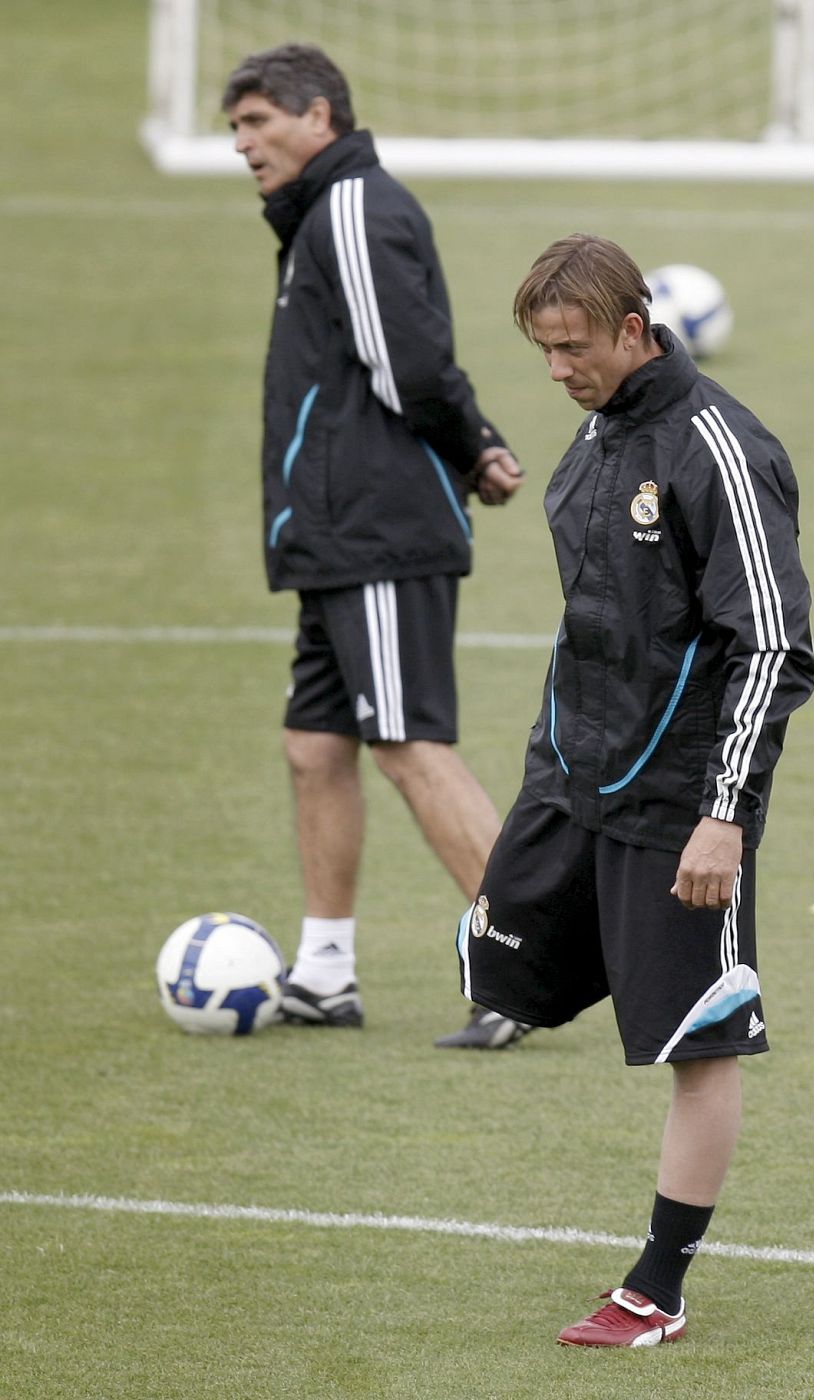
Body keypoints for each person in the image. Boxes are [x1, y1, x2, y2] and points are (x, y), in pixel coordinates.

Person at [454, 234, 814, 1345]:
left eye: (572, 348)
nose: (556, 370)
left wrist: (724, 817)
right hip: (572, 776)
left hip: (677, 803)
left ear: (631, 328)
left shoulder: (719, 449)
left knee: (696, 1039)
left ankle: (655, 1289)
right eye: (541, 351)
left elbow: (770, 647)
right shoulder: (596, 430)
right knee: (499, 961)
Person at [222, 44, 527, 1045]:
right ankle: (323, 973)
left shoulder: (351, 206)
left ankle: (524, 964)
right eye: (235, 128)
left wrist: (471, 446)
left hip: (377, 530)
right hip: (334, 535)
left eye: (257, 122)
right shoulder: (320, 214)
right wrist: (476, 445)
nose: (243, 144)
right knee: (315, 746)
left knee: (406, 744)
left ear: (319, 116)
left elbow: (409, 366)